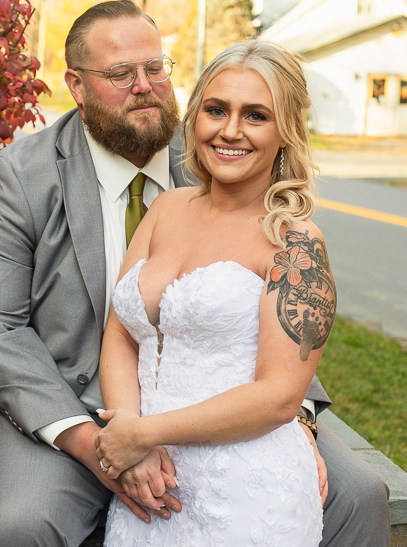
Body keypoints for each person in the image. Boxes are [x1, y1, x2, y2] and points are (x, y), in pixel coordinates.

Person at [0, 0, 391, 547]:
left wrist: (297, 422)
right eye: (121, 73)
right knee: (20, 525)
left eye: (155, 68)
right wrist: (102, 443)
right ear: (77, 84)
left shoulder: (218, 157)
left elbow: (280, 325)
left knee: (358, 493)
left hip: (217, 404)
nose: (144, 86)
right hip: (57, 403)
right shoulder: (19, 177)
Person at [95, 38, 333, 545]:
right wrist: (131, 438)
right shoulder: (165, 210)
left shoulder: (295, 243)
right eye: (217, 110)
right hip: (149, 486)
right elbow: (120, 333)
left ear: (286, 132)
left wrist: (143, 435)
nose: (230, 131)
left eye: (256, 116)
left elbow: (278, 398)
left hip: (245, 494)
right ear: (194, 118)